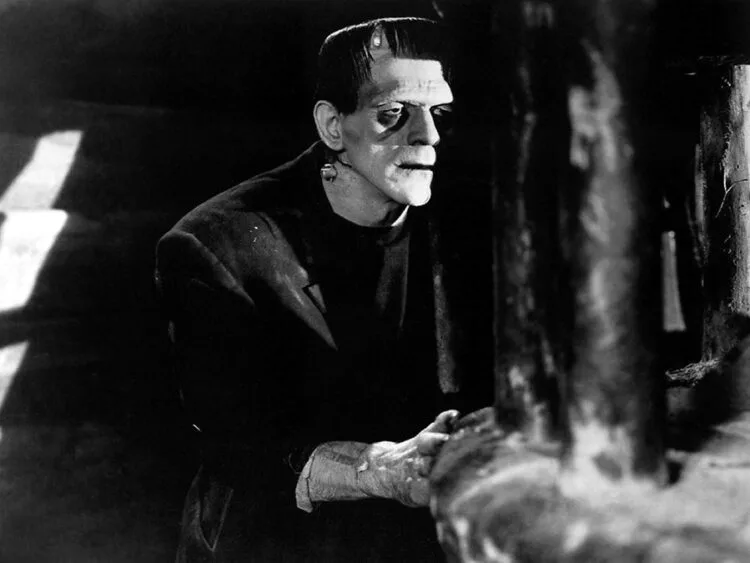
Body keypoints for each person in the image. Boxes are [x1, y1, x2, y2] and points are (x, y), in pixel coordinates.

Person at [156, 16, 481, 561]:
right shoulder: (215, 245)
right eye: (393, 113)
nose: (428, 136)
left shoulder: (475, 219)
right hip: (278, 534)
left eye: (438, 113)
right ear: (332, 126)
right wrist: (377, 469)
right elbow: (239, 444)